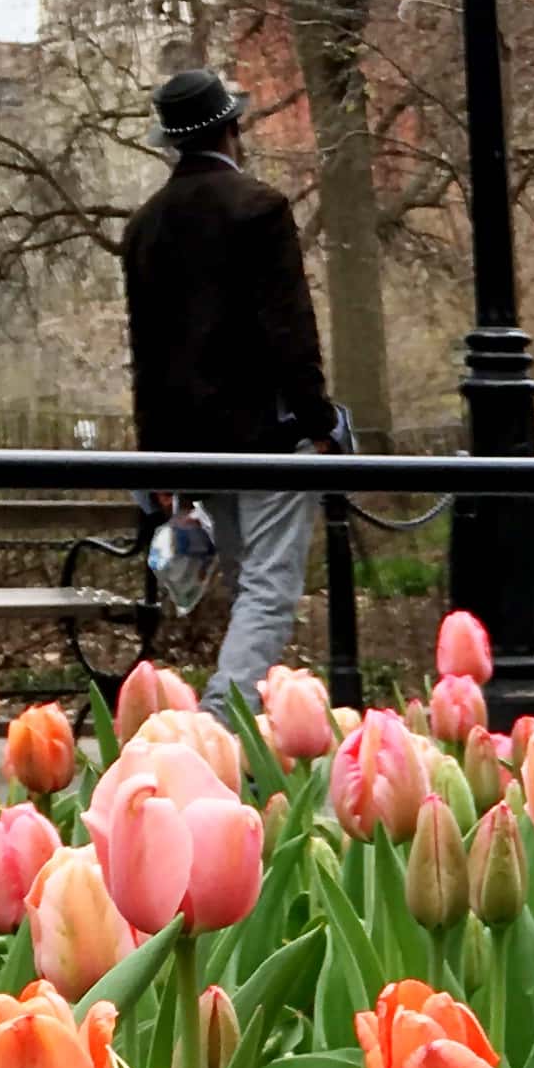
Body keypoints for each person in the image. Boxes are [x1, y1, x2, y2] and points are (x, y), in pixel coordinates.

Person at [117, 66, 338, 698]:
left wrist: (156, 458)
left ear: (173, 142)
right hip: (265, 435)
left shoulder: (144, 227)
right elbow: (289, 330)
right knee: (269, 590)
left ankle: (239, 734)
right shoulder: (259, 208)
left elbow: (148, 356)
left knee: (248, 584)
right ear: (232, 128)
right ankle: (221, 722)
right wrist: (318, 422)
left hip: (191, 442)